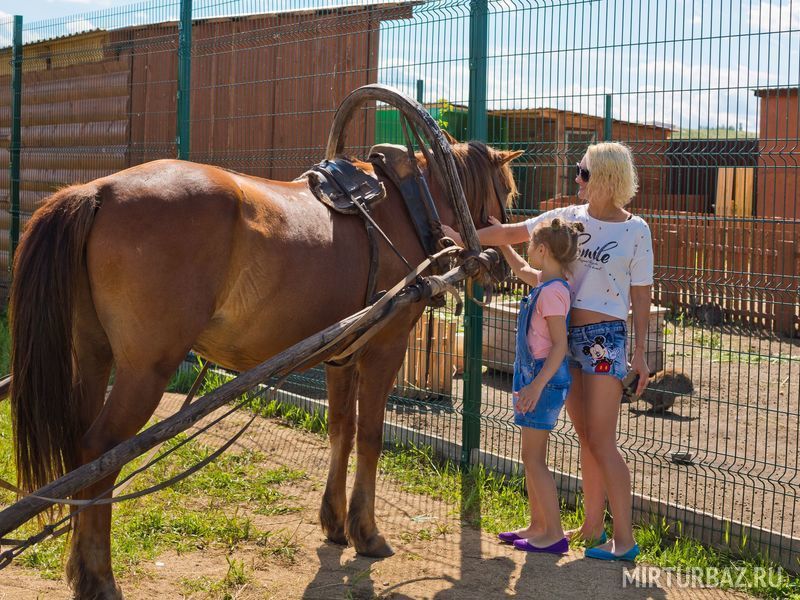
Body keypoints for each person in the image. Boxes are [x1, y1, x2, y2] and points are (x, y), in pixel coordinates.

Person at [444, 142, 652, 561]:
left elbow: (641, 295)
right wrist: (462, 238)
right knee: (586, 437)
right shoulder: (570, 218)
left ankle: (624, 540)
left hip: (604, 341)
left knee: (603, 441)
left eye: (584, 172)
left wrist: (641, 353)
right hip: (566, 339)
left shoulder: (636, 230)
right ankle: (592, 526)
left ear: (606, 177)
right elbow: (513, 234)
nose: (577, 178)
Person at [496, 217, 583, 555]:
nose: (528, 250)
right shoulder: (548, 284)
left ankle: (555, 534)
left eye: (530, 244)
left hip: (541, 381)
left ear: (543, 250)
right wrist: (502, 241)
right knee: (531, 457)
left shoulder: (552, 294)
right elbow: (521, 268)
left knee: (534, 460)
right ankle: (537, 526)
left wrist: (535, 387)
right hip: (534, 378)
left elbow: (559, 346)